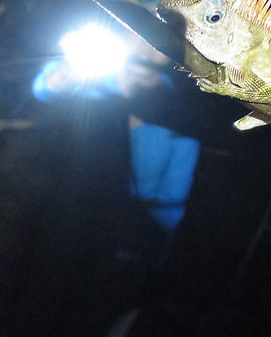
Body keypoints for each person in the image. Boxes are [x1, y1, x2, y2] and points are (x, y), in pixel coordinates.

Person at [32, 23, 201, 270]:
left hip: (121, 236)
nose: (147, 48)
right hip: (62, 213)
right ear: (123, 36)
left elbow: (173, 200)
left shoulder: (180, 114)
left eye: (158, 41)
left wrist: (145, 244)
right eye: (139, 35)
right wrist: (62, 73)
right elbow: (43, 89)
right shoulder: (93, 76)